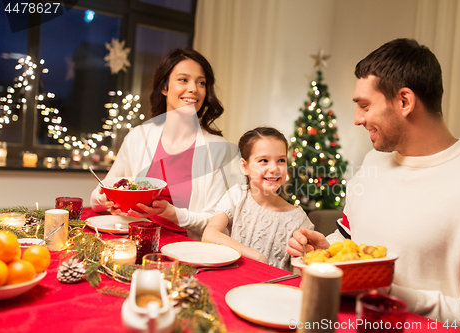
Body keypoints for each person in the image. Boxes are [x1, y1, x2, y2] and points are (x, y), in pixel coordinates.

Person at [287, 38, 460, 329]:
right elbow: (348, 237)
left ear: (404, 101)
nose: (357, 119)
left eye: (364, 105)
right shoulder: (374, 161)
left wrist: (395, 297)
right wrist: (327, 250)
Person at [91, 48, 241, 240]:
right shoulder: (138, 137)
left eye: (201, 82)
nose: (193, 88)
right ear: (164, 87)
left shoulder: (218, 150)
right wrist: (107, 200)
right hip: (136, 241)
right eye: (183, 80)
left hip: (188, 251)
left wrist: (169, 212)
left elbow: (217, 223)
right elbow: (98, 196)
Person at [203, 127, 314, 270]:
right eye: (264, 160)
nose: (274, 168)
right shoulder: (237, 196)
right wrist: (258, 257)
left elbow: (299, 276)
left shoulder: (299, 220)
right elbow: (209, 235)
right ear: (244, 166)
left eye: (281, 160)